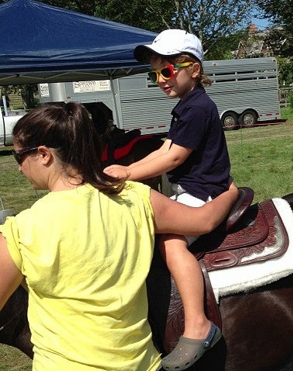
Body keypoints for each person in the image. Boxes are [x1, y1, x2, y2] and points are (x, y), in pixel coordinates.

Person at [0, 102, 238, 371]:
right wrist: (230, 193)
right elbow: (204, 221)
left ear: (44, 154)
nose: (19, 168)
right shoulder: (135, 198)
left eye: (18, 156)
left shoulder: (22, 229)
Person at [103, 29, 232, 370]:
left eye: (167, 71)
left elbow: (174, 159)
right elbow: (165, 148)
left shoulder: (197, 108)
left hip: (203, 192)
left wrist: (127, 174)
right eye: (155, 73)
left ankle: (198, 325)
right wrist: (130, 168)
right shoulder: (186, 105)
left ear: (193, 68)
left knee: (171, 242)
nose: (160, 80)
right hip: (190, 189)